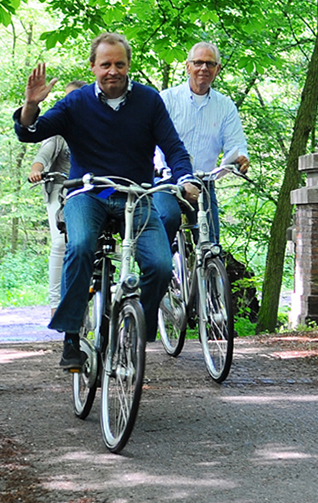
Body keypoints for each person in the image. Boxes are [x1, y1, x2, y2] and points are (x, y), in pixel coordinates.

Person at [14, 32, 200, 371]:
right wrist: (31, 104)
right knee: (81, 244)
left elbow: (173, 147)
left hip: (136, 193)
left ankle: (134, 326)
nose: (112, 71)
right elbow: (31, 131)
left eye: (119, 64)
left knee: (159, 266)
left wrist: (184, 177)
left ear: (128, 65)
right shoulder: (76, 102)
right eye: (105, 65)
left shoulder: (148, 100)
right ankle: (71, 336)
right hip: (91, 192)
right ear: (93, 66)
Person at [153, 41, 251, 243]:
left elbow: (236, 143)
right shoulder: (167, 99)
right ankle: (161, 269)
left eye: (209, 64)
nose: (203, 68)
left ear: (218, 69)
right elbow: (151, 142)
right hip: (167, 180)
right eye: (198, 63)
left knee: (211, 241)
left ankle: (207, 272)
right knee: (167, 217)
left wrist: (241, 158)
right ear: (188, 66)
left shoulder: (225, 106)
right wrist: (159, 167)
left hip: (203, 183)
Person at [27, 80, 86, 319]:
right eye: (67, 98)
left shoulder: (99, 127)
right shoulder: (59, 132)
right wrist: (36, 169)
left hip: (91, 191)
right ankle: (55, 304)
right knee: (61, 243)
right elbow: (43, 154)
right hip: (60, 192)